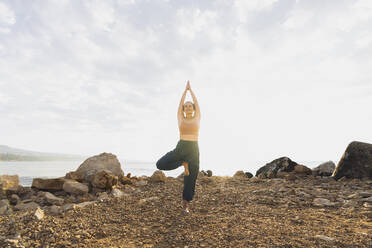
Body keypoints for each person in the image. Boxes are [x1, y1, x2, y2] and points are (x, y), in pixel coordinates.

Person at [156, 80, 201, 214]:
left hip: (193, 148)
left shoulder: (197, 117)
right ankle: (183, 163)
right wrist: (184, 92)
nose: (187, 107)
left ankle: (185, 206)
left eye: (190, 106)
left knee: (190, 179)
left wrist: (191, 91)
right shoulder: (180, 118)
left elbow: (197, 104)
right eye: (185, 106)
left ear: (193, 109)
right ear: (183, 109)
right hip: (181, 146)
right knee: (160, 164)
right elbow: (180, 104)